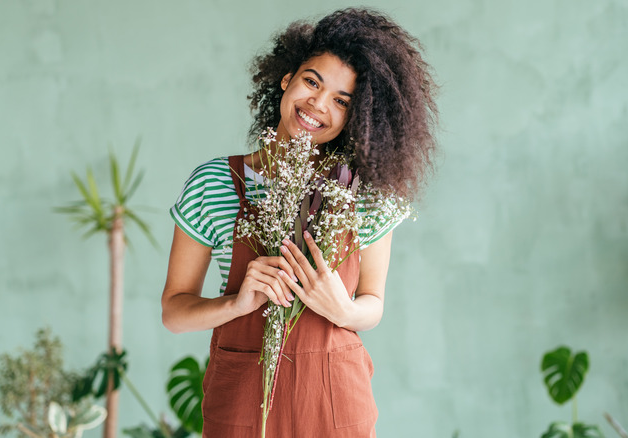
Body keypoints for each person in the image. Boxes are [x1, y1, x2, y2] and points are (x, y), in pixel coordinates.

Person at [161, 8, 437, 437]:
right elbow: (175, 312)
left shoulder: (364, 192)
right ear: (287, 78)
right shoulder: (214, 183)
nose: (318, 105)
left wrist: (341, 308)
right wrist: (236, 303)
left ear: (357, 117)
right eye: (312, 81)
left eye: (342, 101)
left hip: (334, 402)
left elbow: (372, 304)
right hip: (242, 402)